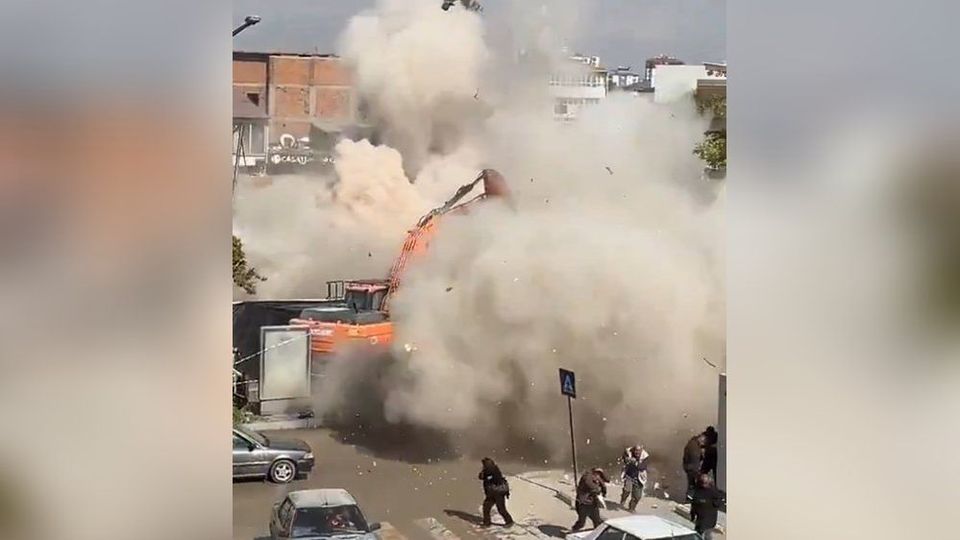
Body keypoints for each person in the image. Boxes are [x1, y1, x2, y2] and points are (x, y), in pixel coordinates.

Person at [478, 457, 514, 527]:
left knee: (501, 509)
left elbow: (494, 479)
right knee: (486, 508)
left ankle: (509, 522)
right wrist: (484, 473)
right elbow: (481, 477)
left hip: (498, 493)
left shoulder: (493, 471)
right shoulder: (488, 470)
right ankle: (487, 523)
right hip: (491, 494)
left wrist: (487, 477)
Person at [689, 474, 725, 539]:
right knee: (698, 534)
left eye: (705, 483)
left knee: (707, 534)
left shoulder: (713, 491)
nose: (704, 484)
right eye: (702, 482)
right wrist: (692, 515)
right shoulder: (698, 491)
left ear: (708, 482)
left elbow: (718, 502)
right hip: (700, 518)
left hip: (710, 518)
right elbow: (694, 504)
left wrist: (707, 502)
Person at [619, 446, 648, 512]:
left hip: (639, 477)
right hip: (629, 475)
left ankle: (632, 508)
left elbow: (643, 467)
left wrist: (635, 462)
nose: (637, 452)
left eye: (639, 451)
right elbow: (623, 458)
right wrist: (626, 459)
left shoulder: (645, 456)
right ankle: (623, 500)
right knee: (627, 490)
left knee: (637, 495)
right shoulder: (628, 452)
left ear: (641, 450)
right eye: (636, 450)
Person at [682, 432, 706, 497]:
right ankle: (691, 499)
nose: (703, 443)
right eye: (703, 441)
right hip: (692, 468)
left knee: (691, 485)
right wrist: (698, 472)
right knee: (693, 485)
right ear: (700, 438)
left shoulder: (693, 444)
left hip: (689, 467)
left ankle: (690, 498)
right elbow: (695, 459)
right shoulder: (694, 447)